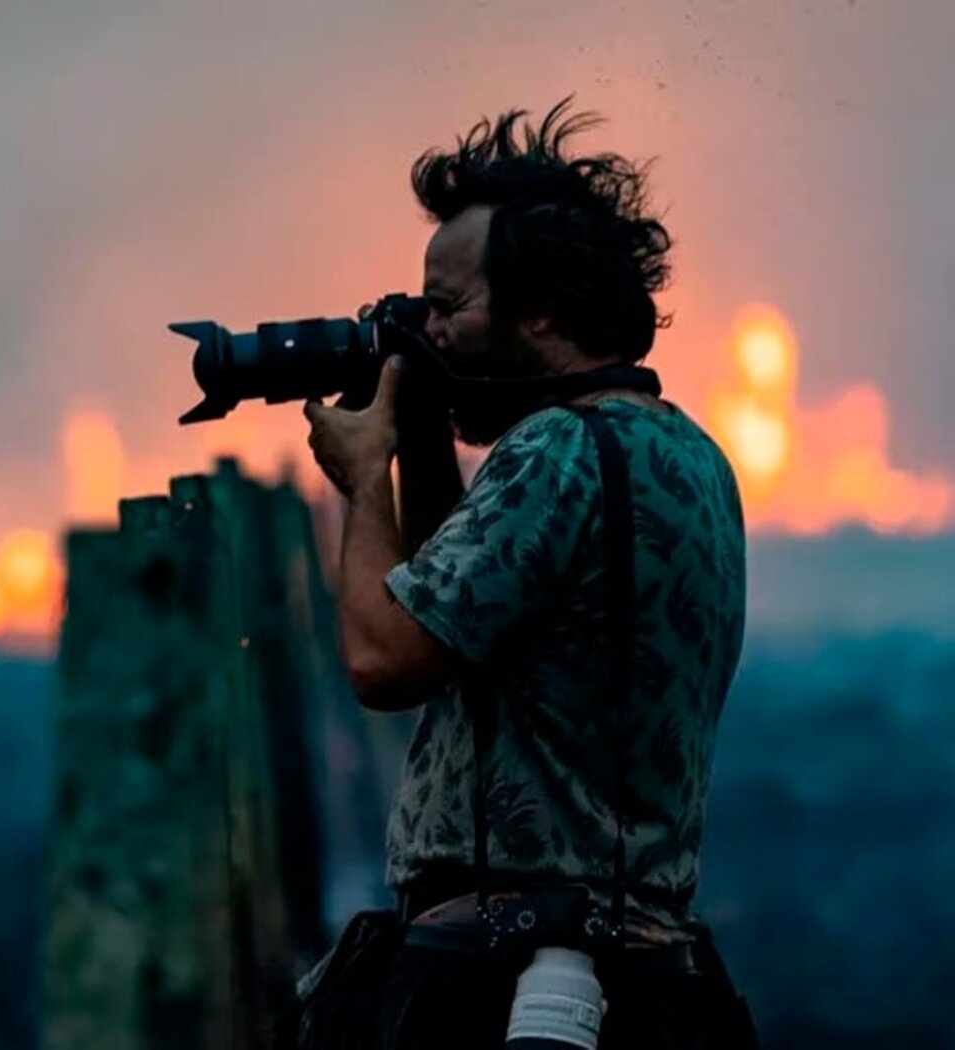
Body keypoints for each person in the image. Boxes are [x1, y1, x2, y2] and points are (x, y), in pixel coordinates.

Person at [300, 98, 758, 1048]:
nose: (428, 329)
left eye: (448, 306)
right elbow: (459, 620)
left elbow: (387, 661)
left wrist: (360, 482)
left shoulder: (558, 450)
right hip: (644, 976)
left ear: (541, 309)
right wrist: (423, 441)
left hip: (508, 990)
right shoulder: (683, 454)